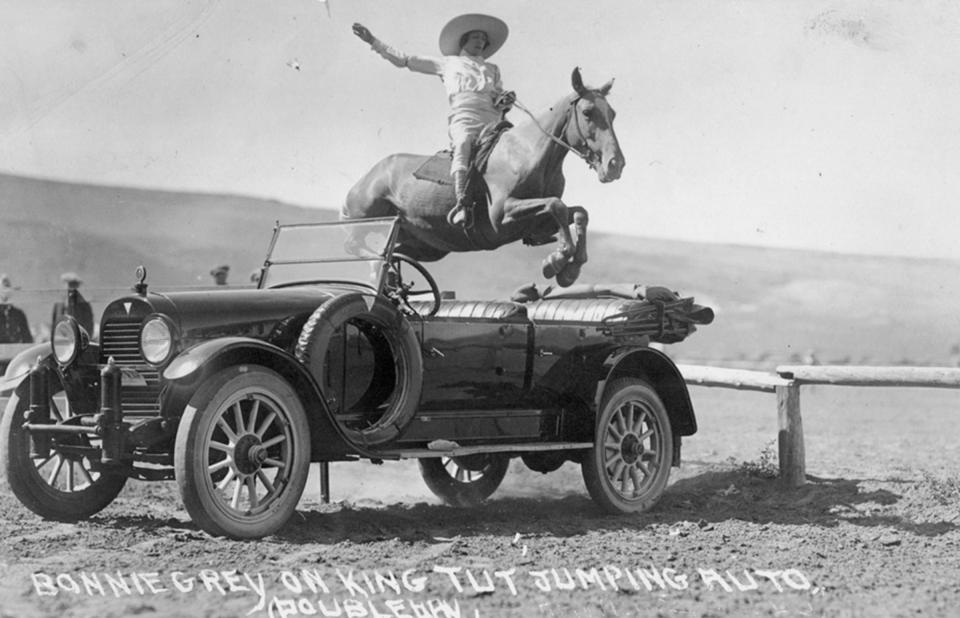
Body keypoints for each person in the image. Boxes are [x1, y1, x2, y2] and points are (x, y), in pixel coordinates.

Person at [352, 14, 516, 227]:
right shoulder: (448, 64)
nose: (480, 41)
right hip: (465, 116)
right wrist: (373, 41)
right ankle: (461, 204)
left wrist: (505, 100)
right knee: (463, 143)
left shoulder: (492, 69)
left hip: (492, 119)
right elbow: (405, 60)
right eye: (476, 36)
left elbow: (498, 95)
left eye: (484, 39)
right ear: (464, 40)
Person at [0, 274, 33, 343]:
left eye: (8, 289)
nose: (6, 292)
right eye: (3, 289)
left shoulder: (19, 314)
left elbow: (27, 338)